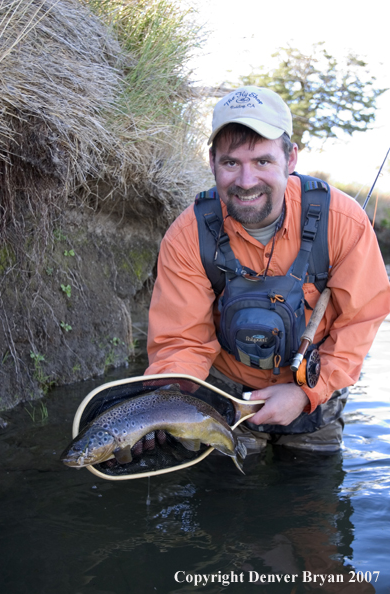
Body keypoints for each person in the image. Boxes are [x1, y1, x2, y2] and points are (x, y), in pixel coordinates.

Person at [144, 86, 390, 453]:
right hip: (227, 392)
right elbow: (182, 342)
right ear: (212, 162)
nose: (246, 182)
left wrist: (306, 392)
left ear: (290, 159)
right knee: (227, 496)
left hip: (316, 389)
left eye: (262, 161)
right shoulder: (187, 236)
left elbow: (359, 321)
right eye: (231, 163)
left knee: (311, 497)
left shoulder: (343, 223)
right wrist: (165, 401)